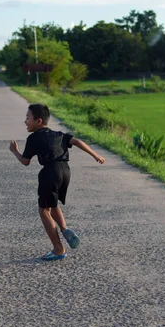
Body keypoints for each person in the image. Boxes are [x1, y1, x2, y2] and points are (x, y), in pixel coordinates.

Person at [9, 104, 105, 261]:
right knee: (52, 205)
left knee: (43, 211)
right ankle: (65, 229)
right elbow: (78, 141)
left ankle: (58, 249)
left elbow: (25, 161)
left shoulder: (33, 138)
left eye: (28, 118)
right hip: (65, 171)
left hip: (50, 173)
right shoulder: (58, 134)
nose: (25, 121)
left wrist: (15, 151)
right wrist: (95, 155)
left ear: (38, 121)